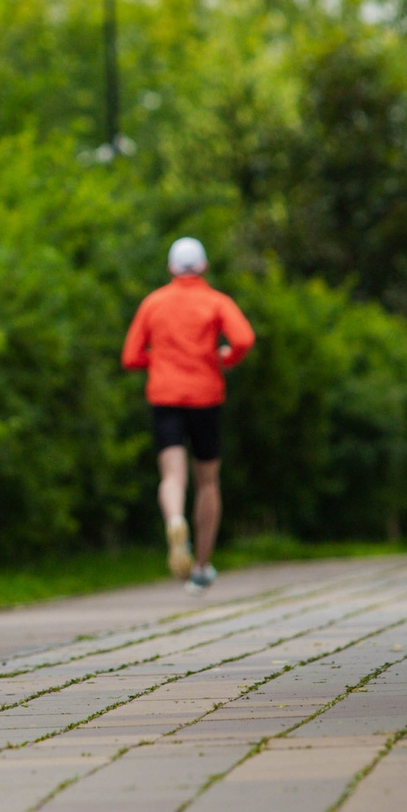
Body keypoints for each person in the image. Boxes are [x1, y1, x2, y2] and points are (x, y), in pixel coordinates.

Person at [121, 237, 255, 591]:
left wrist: (160, 360)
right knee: (208, 481)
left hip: (165, 395)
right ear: (204, 268)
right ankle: (201, 566)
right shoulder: (216, 301)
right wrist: (224, 358)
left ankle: (175, 519)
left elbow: (131, 356)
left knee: (172, 476)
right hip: (206, 397)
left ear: (170, 269)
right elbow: (242, 338)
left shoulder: (154, 303)